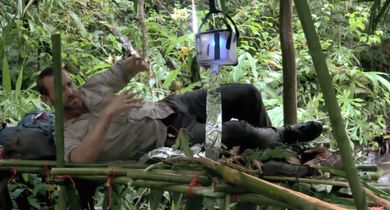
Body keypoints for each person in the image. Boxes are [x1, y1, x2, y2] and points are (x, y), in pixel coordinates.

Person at [36, 56, 323, 163]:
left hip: (173, 106)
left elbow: (118, 72)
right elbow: (82, 158)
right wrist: (108, 114)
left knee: (245, 93)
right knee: (237, 130)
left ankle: (270, 152)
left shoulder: (91, 88)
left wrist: (133, 65)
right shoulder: (67, 133)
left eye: (70, 83)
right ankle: (285, 136)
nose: (71, 92)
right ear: (48, 101)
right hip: (176, 137)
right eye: (61, 89)